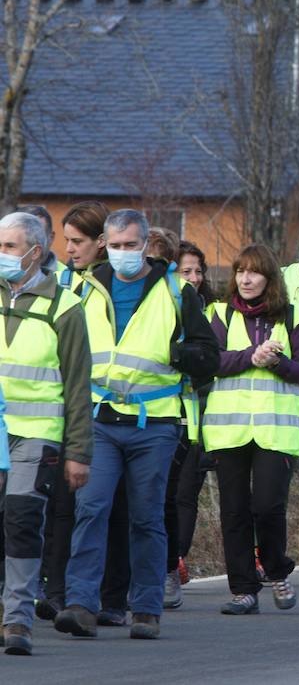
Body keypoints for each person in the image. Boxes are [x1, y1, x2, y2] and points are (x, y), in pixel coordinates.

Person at [54, 209, 218, 642]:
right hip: (99, 420)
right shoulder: (82, 288)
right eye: (116, 245)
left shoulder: (178, 291)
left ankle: (146, 608)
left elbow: (208, 356)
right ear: (103, 245)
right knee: (91, 510)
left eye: (132, 245)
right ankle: (81, 605)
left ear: (146, 244)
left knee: (146, 517)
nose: (124, 253)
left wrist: (184, 355)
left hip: (155, 422)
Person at [0, 212, 92, 656]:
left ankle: (16, 620)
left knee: (20, 522)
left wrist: (79, 451)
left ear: (35, 253)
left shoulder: (65, 306)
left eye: (9, 248)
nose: (0, 255)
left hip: (35, 435)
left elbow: (77, 384)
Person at [205, 244, 299, 616]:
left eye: (253, 272)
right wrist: (250, 357)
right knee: (234, 512)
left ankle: (276, 568)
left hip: (274, 432)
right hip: (229, 430)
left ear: (269, 278)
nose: (245, 279)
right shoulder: (219, 314)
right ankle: (243, 590)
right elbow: (207, 361)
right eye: (240, 271)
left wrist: (276, 362)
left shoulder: (292, 316)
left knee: (268, 507)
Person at [36, 200, 110, 623]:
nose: (69, 249)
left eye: (77, 241)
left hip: (105, 410)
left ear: (101, 242)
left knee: (87, 508)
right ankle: (56, 589)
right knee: (59, 506)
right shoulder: (66, 284)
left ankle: (95, 593)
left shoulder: (108, 286)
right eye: (65, 241)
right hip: (66, 406)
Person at [166, 241, 215, 606]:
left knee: (186, 495)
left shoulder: (212, 311)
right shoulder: (168, 305)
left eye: (199, 271)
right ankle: (167, 563)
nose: (194, 278)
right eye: (187, 271)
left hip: (203, 420)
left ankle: (177, 560)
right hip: (167, 415)